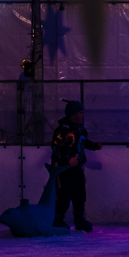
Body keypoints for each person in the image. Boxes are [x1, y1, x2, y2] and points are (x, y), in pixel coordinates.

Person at [50, 99, 100, 232]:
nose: (83, 115)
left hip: (77, 167)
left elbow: (82, 142)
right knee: (64, 194)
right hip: (64, 168)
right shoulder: (62, 130)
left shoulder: (80, 128)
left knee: (79, 194)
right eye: (80, 113)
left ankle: (79, 220)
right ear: (72, 114)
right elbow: (56, 147)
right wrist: (67, 159)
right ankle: (58, 219)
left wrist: (94, 146)